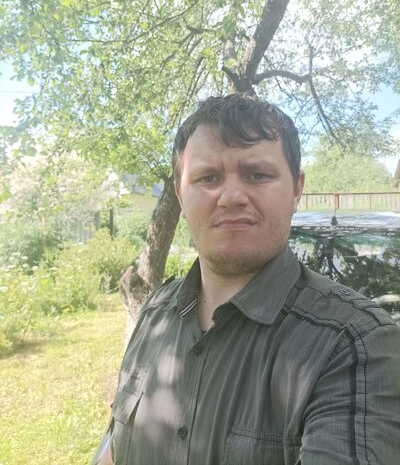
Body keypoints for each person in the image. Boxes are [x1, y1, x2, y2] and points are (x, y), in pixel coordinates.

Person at [92, 93, 400, 465]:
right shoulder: (154, 313)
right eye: (208, 177)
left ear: (296, 189)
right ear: (180, 195)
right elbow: (114, 449)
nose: (232, 197)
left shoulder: (355, 345)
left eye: (257, 174)